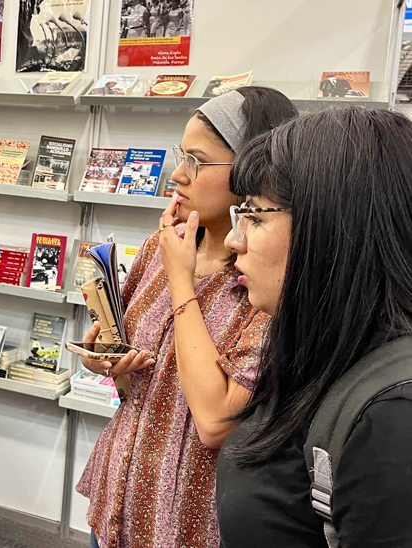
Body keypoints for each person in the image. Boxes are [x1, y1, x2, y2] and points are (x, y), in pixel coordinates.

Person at [77, 87, 298, 548]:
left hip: (186, 523)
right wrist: (105, 359)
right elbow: (134, 370)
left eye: (196, 160)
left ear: (251, 171)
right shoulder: (165, 246)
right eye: (181, 155)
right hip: (118, 495)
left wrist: (182, 280)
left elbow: (216, 421)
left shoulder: (268, 282)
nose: (177, 174)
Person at [217, 107, 412, 546]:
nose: (235, 239)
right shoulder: (320, 347)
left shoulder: (393, 415)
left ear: (329, 226)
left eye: (255, 216)